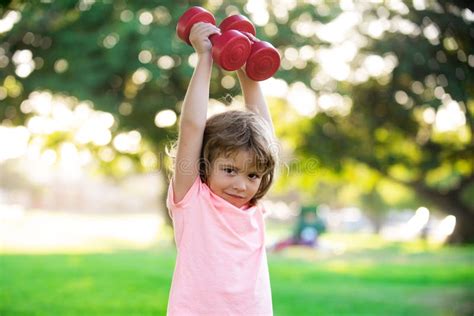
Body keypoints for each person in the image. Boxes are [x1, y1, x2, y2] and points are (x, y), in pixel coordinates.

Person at [166, 22, 277, 316]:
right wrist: (205, 57)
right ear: (205, 164)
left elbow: (264, 133)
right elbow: (191, 128)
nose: (241, 184)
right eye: (229, 170)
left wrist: (247, 66)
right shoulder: (193, 200)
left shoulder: (253, 207)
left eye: (252, 175)